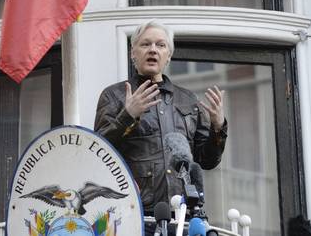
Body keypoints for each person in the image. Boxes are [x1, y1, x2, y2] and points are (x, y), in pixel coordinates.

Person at [94, 20, 227, 235]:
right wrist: (128, 115)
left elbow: (207, 160)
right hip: (135, 217)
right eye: (145, 44)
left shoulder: (187, 99)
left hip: (184, 218)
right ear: (133, 53)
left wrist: (218, 127)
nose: (153, 50)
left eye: (160, 45)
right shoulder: (115, 96)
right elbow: (98, 152)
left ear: (169, 56)